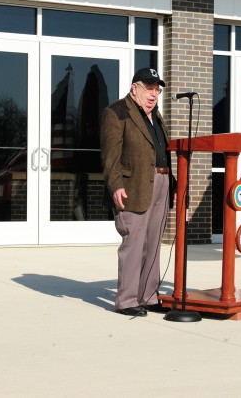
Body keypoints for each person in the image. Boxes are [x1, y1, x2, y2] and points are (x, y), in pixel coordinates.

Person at [100, 67, 173, 317]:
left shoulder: (156, 116)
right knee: (134, 243)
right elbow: (110, 155)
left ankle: (148, 295)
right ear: (135, 89)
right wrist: (116, 184)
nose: (154, 94)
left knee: (153, 243)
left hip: (161, 182)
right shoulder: (117, 112)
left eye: (157, 89)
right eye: (148, 88)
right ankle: (127, 299)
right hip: (133, 186)